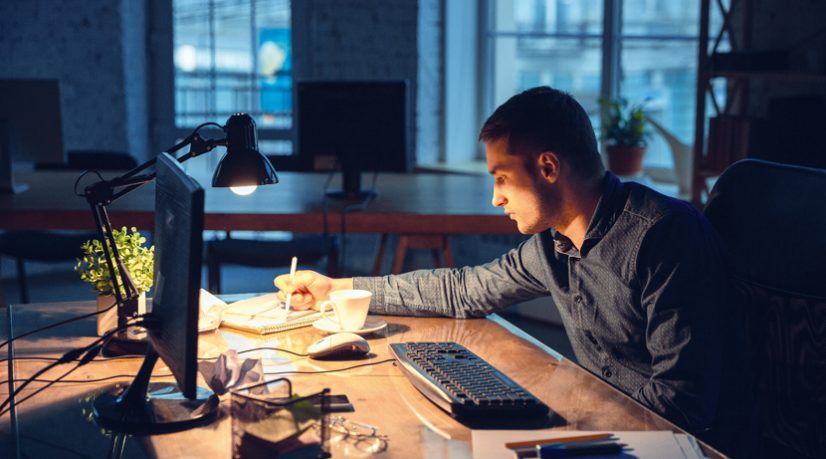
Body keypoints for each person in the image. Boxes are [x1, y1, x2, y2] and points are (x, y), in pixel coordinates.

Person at [274, 86, 748, 453]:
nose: (495, 197)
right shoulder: (552, 242)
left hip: (667, 445)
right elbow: (462, 290)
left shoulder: (663, 237)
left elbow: (681, 405)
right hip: (603, 436)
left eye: (501, 178)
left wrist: (568, 419)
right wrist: (335, 287)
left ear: (547, 167)